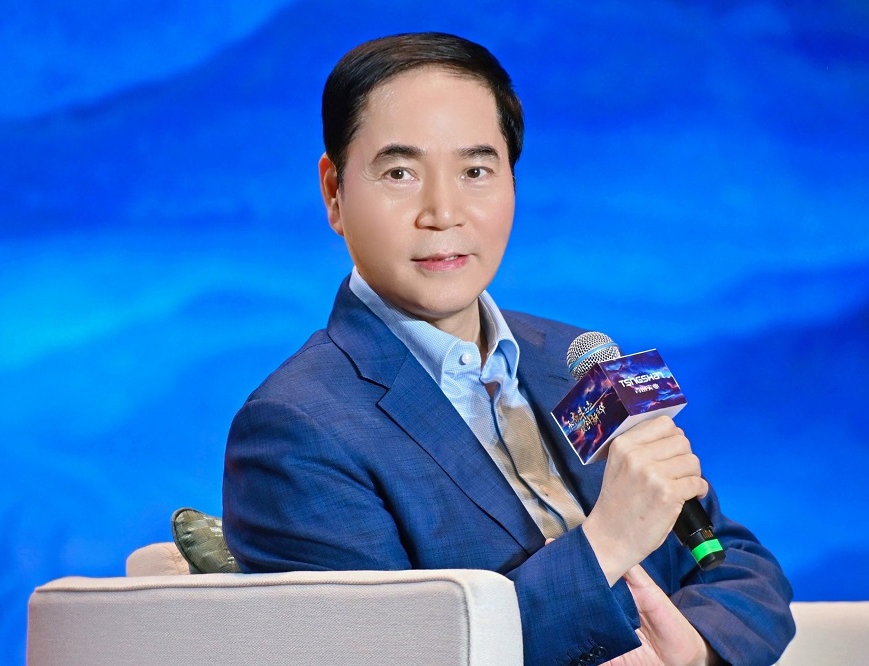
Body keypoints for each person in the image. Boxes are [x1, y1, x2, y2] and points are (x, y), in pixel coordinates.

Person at [223, 32, 795, 666]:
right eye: (400, 173)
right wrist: (606, 542)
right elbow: (390, 655)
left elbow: (736, 562)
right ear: (335, 192)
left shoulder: (578, 356)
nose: (443, 212)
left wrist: (694, 649)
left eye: (475, 171)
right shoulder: (294, 427)